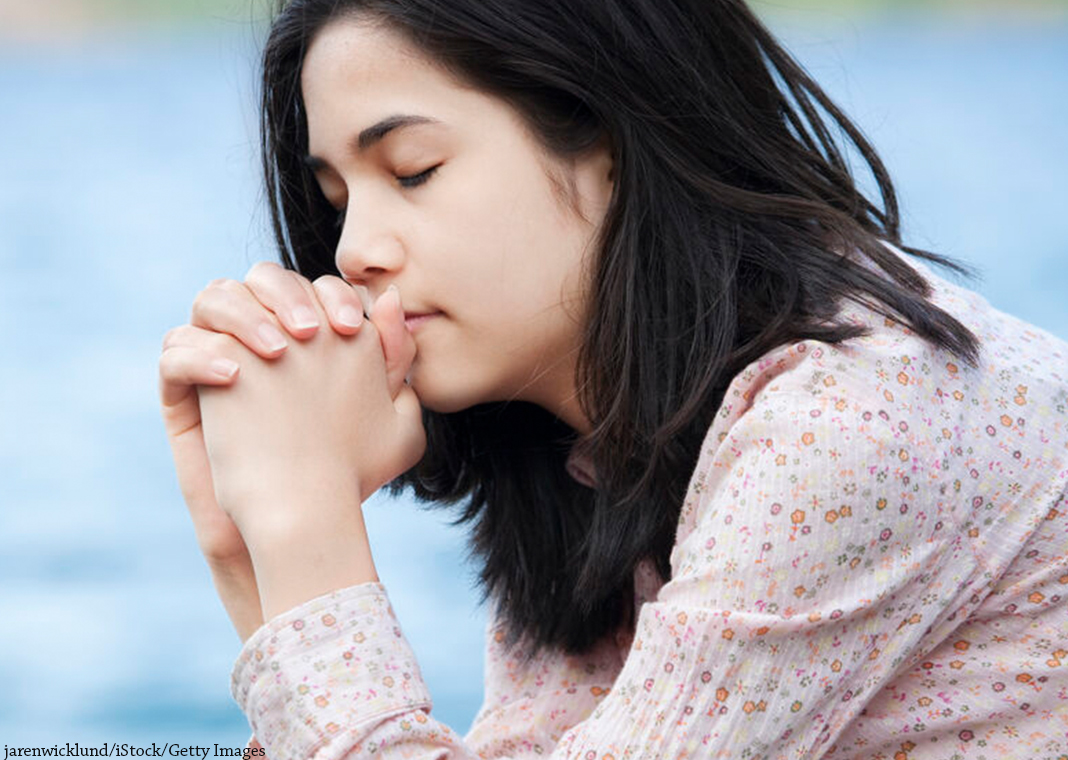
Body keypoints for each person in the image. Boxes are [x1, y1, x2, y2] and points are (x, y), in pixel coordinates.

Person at [157, 0, 1068, 757]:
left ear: (611, 140)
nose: (355, 254)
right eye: (340, 203)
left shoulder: (852, 423)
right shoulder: (603, 439)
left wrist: (305, 525)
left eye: (414, 170)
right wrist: (253, 564)